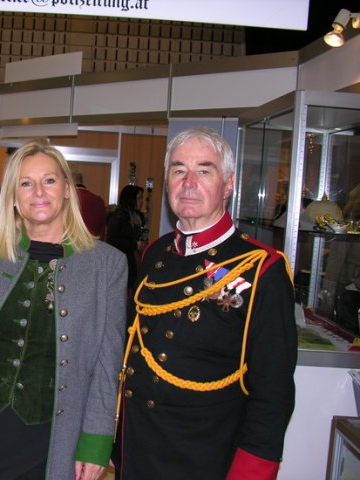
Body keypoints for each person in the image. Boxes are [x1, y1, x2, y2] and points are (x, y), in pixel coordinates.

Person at [113, 127, 297, 480]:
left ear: (228, 185)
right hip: (138, 448)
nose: (189, 182)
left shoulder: (261, 268)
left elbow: (272, 391)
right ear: (168, 183)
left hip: (204, 457)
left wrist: (251, 472)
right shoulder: (155, 254)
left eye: (204, 170)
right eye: (179, 170)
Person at [0, 140, 128, 480]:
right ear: (12, 196)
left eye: (50, 181)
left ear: (68, 189)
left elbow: (106, 364)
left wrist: (97, 442)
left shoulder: (108, 265)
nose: (38, 191)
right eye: (26, 183)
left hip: (57, 440)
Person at [106, 185, 147, 290]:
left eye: (142, 198)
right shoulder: (118, 217)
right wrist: (134, 245)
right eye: (138, 198)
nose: (141, 201)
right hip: (122, 261)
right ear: (130, 199)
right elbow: (112, 241)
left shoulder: (139, 217)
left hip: (135, 258)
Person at [73, 170, 107, 239]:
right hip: (95, 245)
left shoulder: (67, 200)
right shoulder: (99, 201)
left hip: (72, 245)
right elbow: (102, 231)